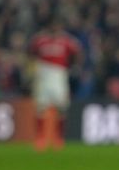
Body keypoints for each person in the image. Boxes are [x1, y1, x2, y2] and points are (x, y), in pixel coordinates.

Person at [28, 16, 82, 151]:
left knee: (61, 107)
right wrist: (32, 68)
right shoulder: (40, 40)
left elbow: (78, 52)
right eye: (53, 26)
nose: (55, 28)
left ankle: (58, 138)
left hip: (59, 75)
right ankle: (40, 138)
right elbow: (30, 52)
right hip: (43, 75)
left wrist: (74, 67)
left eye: (58, 26)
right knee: (41, 107)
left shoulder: (67, 40)